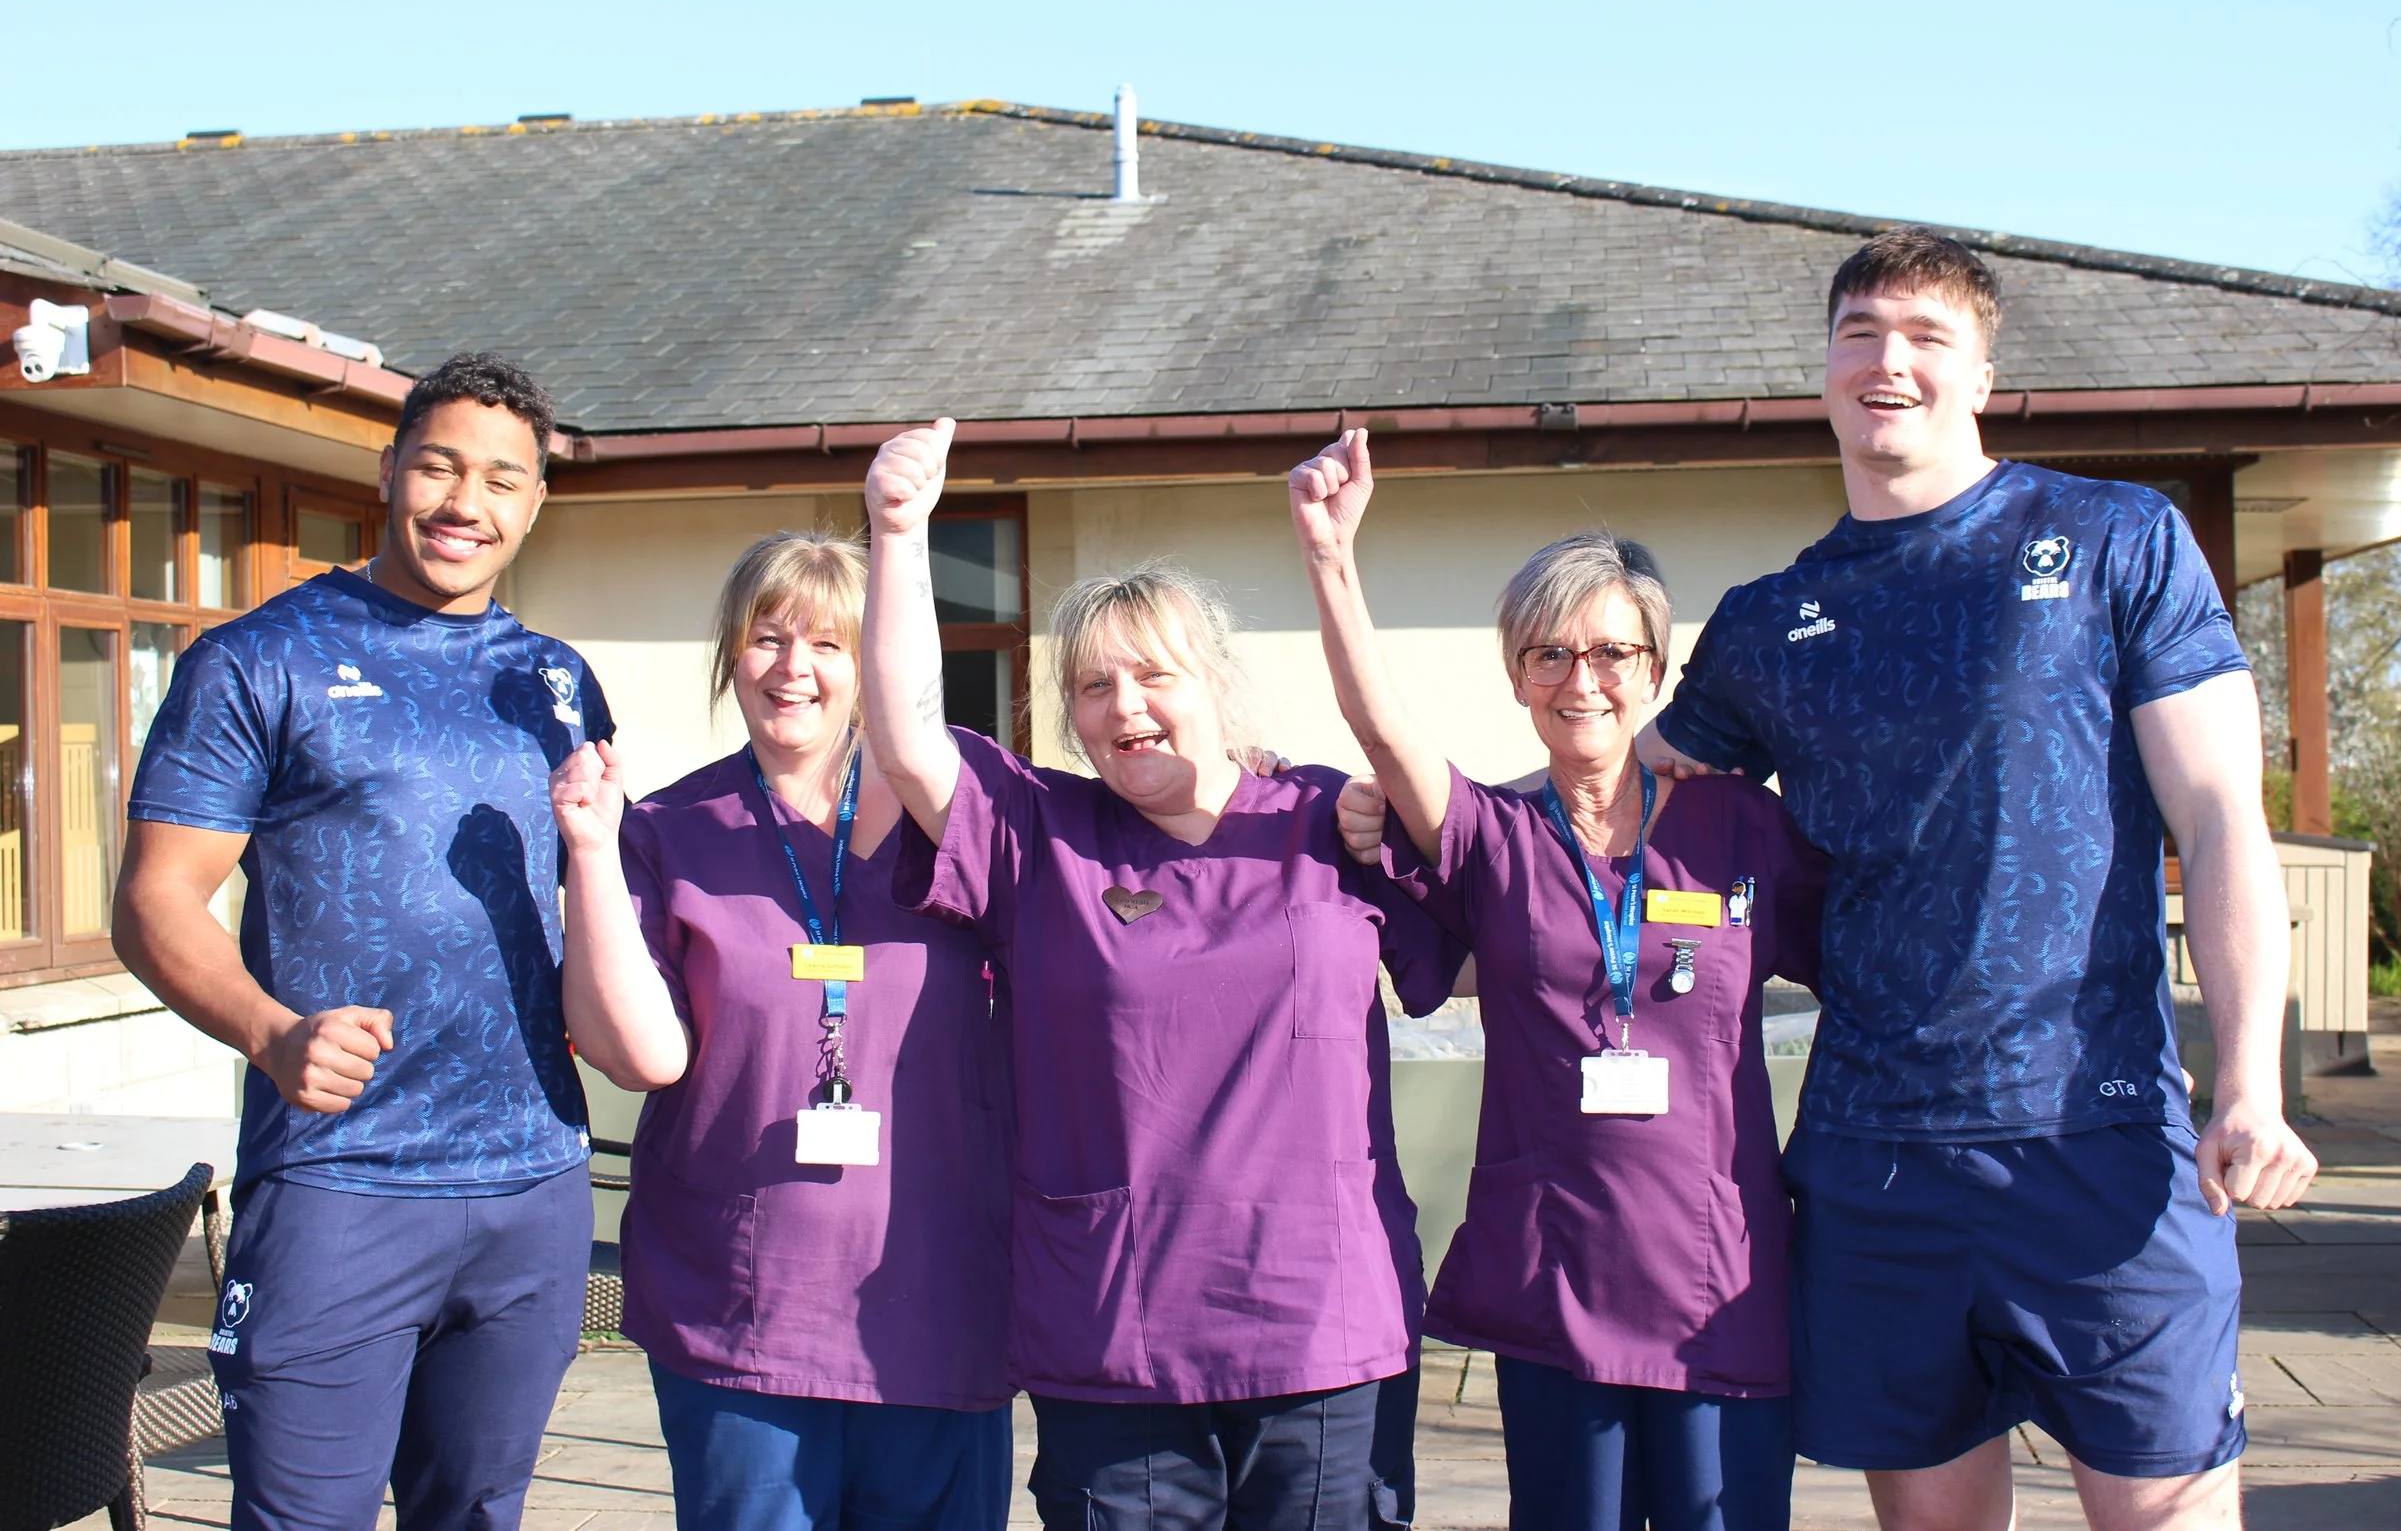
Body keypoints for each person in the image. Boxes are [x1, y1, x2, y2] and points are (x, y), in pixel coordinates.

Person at [1646, 227, 2313, 1530]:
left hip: (2101, 1145)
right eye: (1860, 334)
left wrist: (2250, 1081)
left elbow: (2224, 812)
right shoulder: (1768, 622)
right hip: (1875, 1159)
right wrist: (1342, 801)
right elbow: (1605, 790)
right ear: (1825, 368)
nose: (1887, 360)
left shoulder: (2117, 536)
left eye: (1925, 335)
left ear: (1983, 371)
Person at [858, 417, 1454, 1531]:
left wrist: (1332, 555)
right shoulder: (1039, 835)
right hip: (1113, 1322)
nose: (1123, 707)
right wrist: (899, 531)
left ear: (1216, 683)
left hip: (1318, 1312)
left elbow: (1484, 871)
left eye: (1152, 674)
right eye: (1092, 685)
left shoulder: (1332, 818)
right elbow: (906, 741)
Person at [1293, 431, 1827, 1531]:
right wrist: (1329, 555)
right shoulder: (1493, 834)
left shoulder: (1743, 825)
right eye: (1549, 653)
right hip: (1559, 1281)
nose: (1581, 679)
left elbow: (1870, 947)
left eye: (1612, 653)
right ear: (1516, 673)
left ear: (1654, 669)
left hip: (1720, 1277)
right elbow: (1384, 735)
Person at [113, 353, 608, 1531]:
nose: (463, 502)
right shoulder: (256, 659)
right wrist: (271, 1029)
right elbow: (156, 900)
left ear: (535, 501)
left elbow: (599, 890)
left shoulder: (557, 681)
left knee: (480, 1510)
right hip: (342, 1179)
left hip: (532, 1179)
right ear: (388, 471)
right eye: (437, 465)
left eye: (500, 478)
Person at [549, 531, 1016, 1531]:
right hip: (738, 1306)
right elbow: (640, 1054)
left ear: (871, 662)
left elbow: (1106, 856)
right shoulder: (669, 828)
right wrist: (589, 853)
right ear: (731, 653)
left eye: (827, 643)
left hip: (938, 1301)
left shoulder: (960, 807)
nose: (792, 666)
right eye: (767, 637)